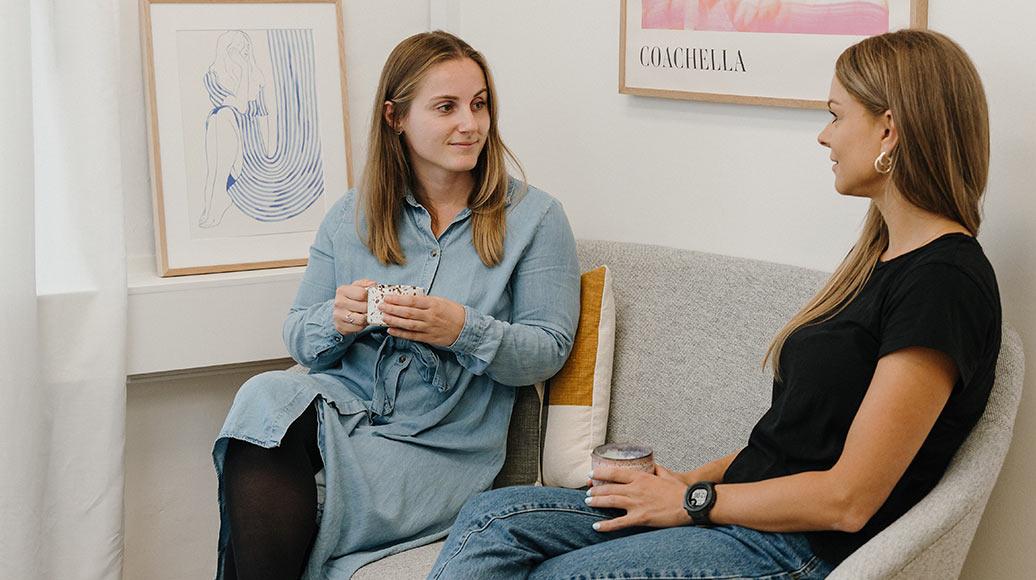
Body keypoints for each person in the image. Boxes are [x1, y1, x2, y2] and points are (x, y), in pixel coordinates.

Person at [430, 29, 1001, 579]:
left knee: (562, 575)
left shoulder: (945, 283)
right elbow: (789, 441)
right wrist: (680, 483)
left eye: (836, 114)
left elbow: (848, 500)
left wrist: (693, 500)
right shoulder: (875, 261)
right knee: (492, 519)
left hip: (799, 549)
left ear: (889, 130)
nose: (824, 137)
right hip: (740, 513)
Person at [212, 31, 580, 580]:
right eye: (446, 107)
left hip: (441, 446)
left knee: (261, 477)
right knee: (262, 398)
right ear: (396, 117)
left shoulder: (536, 219)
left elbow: (548, 349)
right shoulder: (352, 215)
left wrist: (463, 329)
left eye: (479, 105)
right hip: (347, 413)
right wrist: (338, 320)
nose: (470, 124)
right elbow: (299, 334)